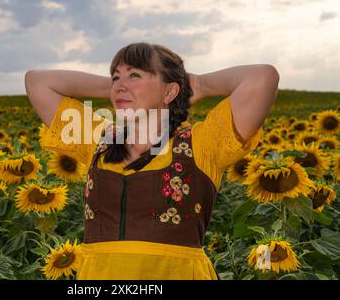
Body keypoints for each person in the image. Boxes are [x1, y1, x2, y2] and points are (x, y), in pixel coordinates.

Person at [25, 42, 279, 280]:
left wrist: (198, 84)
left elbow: (262, 77)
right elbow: (37, 82)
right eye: (116, 76)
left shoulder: (203, 142)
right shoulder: (96, 139)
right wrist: (118, 88)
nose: (120, 84)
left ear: (170, 90)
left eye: (136, 75)